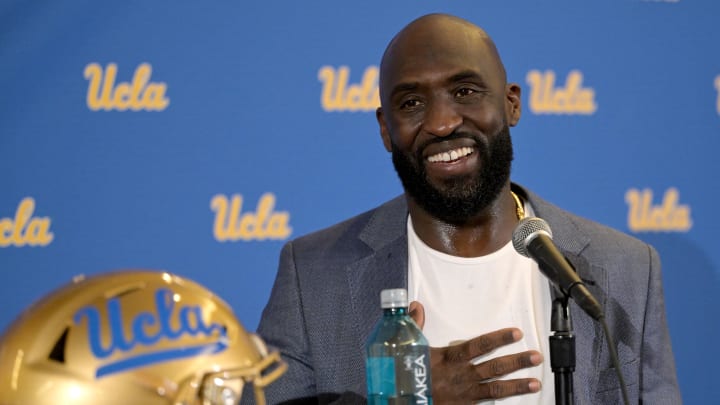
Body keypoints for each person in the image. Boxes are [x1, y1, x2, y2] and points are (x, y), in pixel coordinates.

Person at [248, 13, 681, 404]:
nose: (441, 122)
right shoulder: (311, 274)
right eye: (412, 103)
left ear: (511, 103)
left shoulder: (625, 268)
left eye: (465, 91)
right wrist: (399, 397)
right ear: (385, 129)